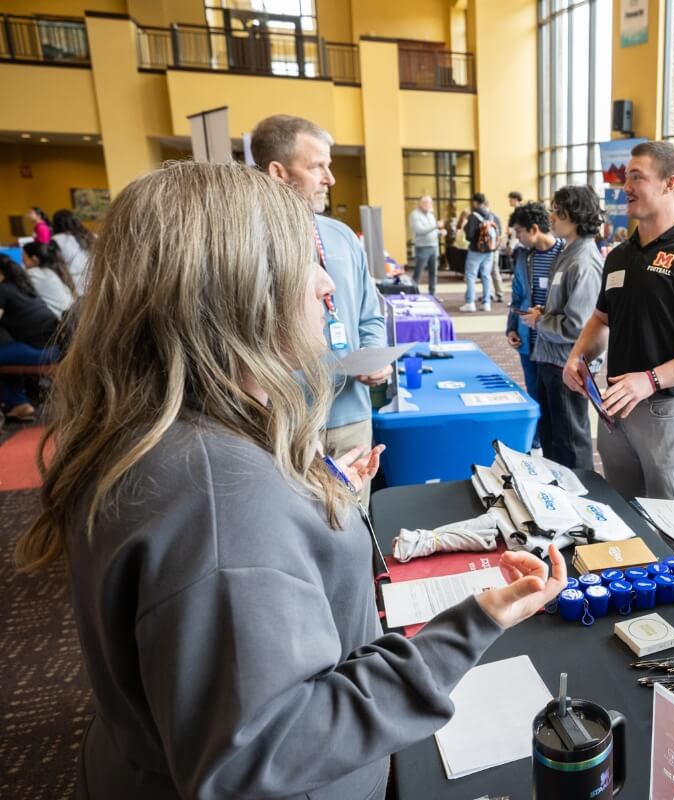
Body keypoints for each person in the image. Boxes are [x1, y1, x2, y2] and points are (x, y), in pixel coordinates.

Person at [13, 160, 566, 799]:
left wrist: (303, 492)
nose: (328, 283)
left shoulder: (159, 432)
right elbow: (261, 752)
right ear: (241, 288)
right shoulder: (220, 495)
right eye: (306, 260)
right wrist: (467, 627)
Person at [564, 141, 674, 575]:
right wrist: (577, 355)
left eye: (636, 176)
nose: (625, 185)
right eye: (625, 176)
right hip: (615, 409)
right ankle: (639, 599)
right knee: (623, 517)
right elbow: (601, 319)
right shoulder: (621, 255)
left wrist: (652, 379)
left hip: (668, 411)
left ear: (670, 184)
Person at [251, 114, 389, 507]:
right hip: (284, 423)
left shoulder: (342, 237)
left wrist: (375, 356)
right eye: (317, 167)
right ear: (278, 172)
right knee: (296, 531)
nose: (330, 179)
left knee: (355, 527)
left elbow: (370, 316)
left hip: (350, 417)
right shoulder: (245, 246)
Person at [521, 186, 604, 470]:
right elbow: (565, 308)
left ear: (576, 215)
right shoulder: (566, 253)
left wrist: (539, 321)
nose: (551, 218)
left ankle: (582, 500)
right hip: (550, 358)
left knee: (571, 443)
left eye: (558, 212)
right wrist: (543, 312)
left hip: (567, 365)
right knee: (552, 438)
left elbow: (579, 326)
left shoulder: (584, 261)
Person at [506, 201, 564, 450]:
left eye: (519, 232)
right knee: (533, 390)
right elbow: (517, 295)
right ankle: (537, 439)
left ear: (533, 229)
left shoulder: (565, 255)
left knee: (554, 395)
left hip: (553, 341)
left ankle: (552, 439)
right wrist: (511, 328)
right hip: (527, 338)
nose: (517, 238)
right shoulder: (522, 257)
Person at [0, 254, 61, 422]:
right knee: (8, 352)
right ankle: (19, 405)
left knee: (6, 354)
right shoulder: (23, 286)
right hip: (53, 347)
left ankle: (18, 403)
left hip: (41, 352)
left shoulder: (3, 290)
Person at [461, 193, 502, 312]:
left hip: (475, 250)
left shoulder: (474, 216)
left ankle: (470, 302)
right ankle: (486, 303)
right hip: (489, 250)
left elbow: (469, 235)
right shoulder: (492, 216)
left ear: (475, 202)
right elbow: (498, 231)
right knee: (486, 275)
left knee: (470, 276)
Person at [22, 241, 76, 320]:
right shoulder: (53, 271)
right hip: (71, 317)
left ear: (34, 259)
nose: (22, 262)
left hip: (59, 322)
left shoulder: (33, 273)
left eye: (24, 259)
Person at [51, 208, 95, 292]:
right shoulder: (91, 236)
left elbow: (56, 266)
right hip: (94, 281)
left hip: (73, 285)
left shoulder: (56, 240)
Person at [408, 195, 442, 294]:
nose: (429, 205)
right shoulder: (415, 215)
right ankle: (413, 294)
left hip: (434, 247)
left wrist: (440, 232)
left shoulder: (430, 215)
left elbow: (433, 231)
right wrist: (436, 226)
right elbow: (419, 230)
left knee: (433, 273)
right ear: (421, 203)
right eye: (426, 202)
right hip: (422, 248)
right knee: (418, 273)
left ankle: (432, 294)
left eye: (430, 203)